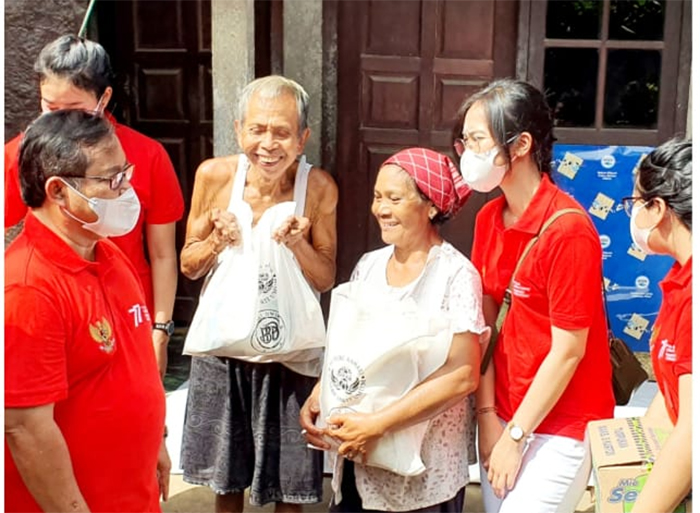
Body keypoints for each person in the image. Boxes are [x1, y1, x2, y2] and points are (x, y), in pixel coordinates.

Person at [179, 75, 338, 513]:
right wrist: (216, 239)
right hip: (223, 348)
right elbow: (188, 265)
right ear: (238, 130)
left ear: (302, 137)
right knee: (225, 480)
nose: (268, 144)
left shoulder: (318, 187)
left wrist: (298, 243)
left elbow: (325, 277)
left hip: (290, 353)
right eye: (257, 130)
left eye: (282, 132)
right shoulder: (214, 175)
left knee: (291, 482)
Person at [456, 79, 615, 513]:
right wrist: (488, 419)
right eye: (464, 142)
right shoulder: (489, 218)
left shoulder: (568, 230)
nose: (467, 154)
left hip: (561, 425)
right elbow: (484, 327)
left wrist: (516, 435)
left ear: (521, 144)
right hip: (504, 413)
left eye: (477, 140)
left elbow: (568, 351)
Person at [301, 147, 488, 512]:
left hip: (425, 469)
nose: (380, 209)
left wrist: (379, 424)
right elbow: (350, 348)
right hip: (363, 460)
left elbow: (463, 375)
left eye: (394, 198)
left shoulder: (456, 275)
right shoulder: (369, 266)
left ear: (431, 206)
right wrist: (321, 395)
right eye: (377, 196)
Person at [5, 109, 170, 512]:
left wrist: (156, 442)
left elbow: (134, 366)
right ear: (59, 191)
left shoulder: (107, 252)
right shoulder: (26, 288)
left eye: (125, 173)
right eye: (112, 180)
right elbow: (25, 427)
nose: (127, 190)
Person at [4, 34, 184, 377]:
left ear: (104, 98)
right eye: (49, 108)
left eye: (73, 109)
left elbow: (163, 254)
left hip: (129, 316)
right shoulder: (21, 154)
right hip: (55, 319)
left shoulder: (148, 155)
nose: (59, 122)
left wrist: (160, 331)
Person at [622, 138, 692, 512]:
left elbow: (691, 432)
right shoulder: (681, 278)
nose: (631, 215)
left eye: (635, 204)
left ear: (659, 208)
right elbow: (671, 397)